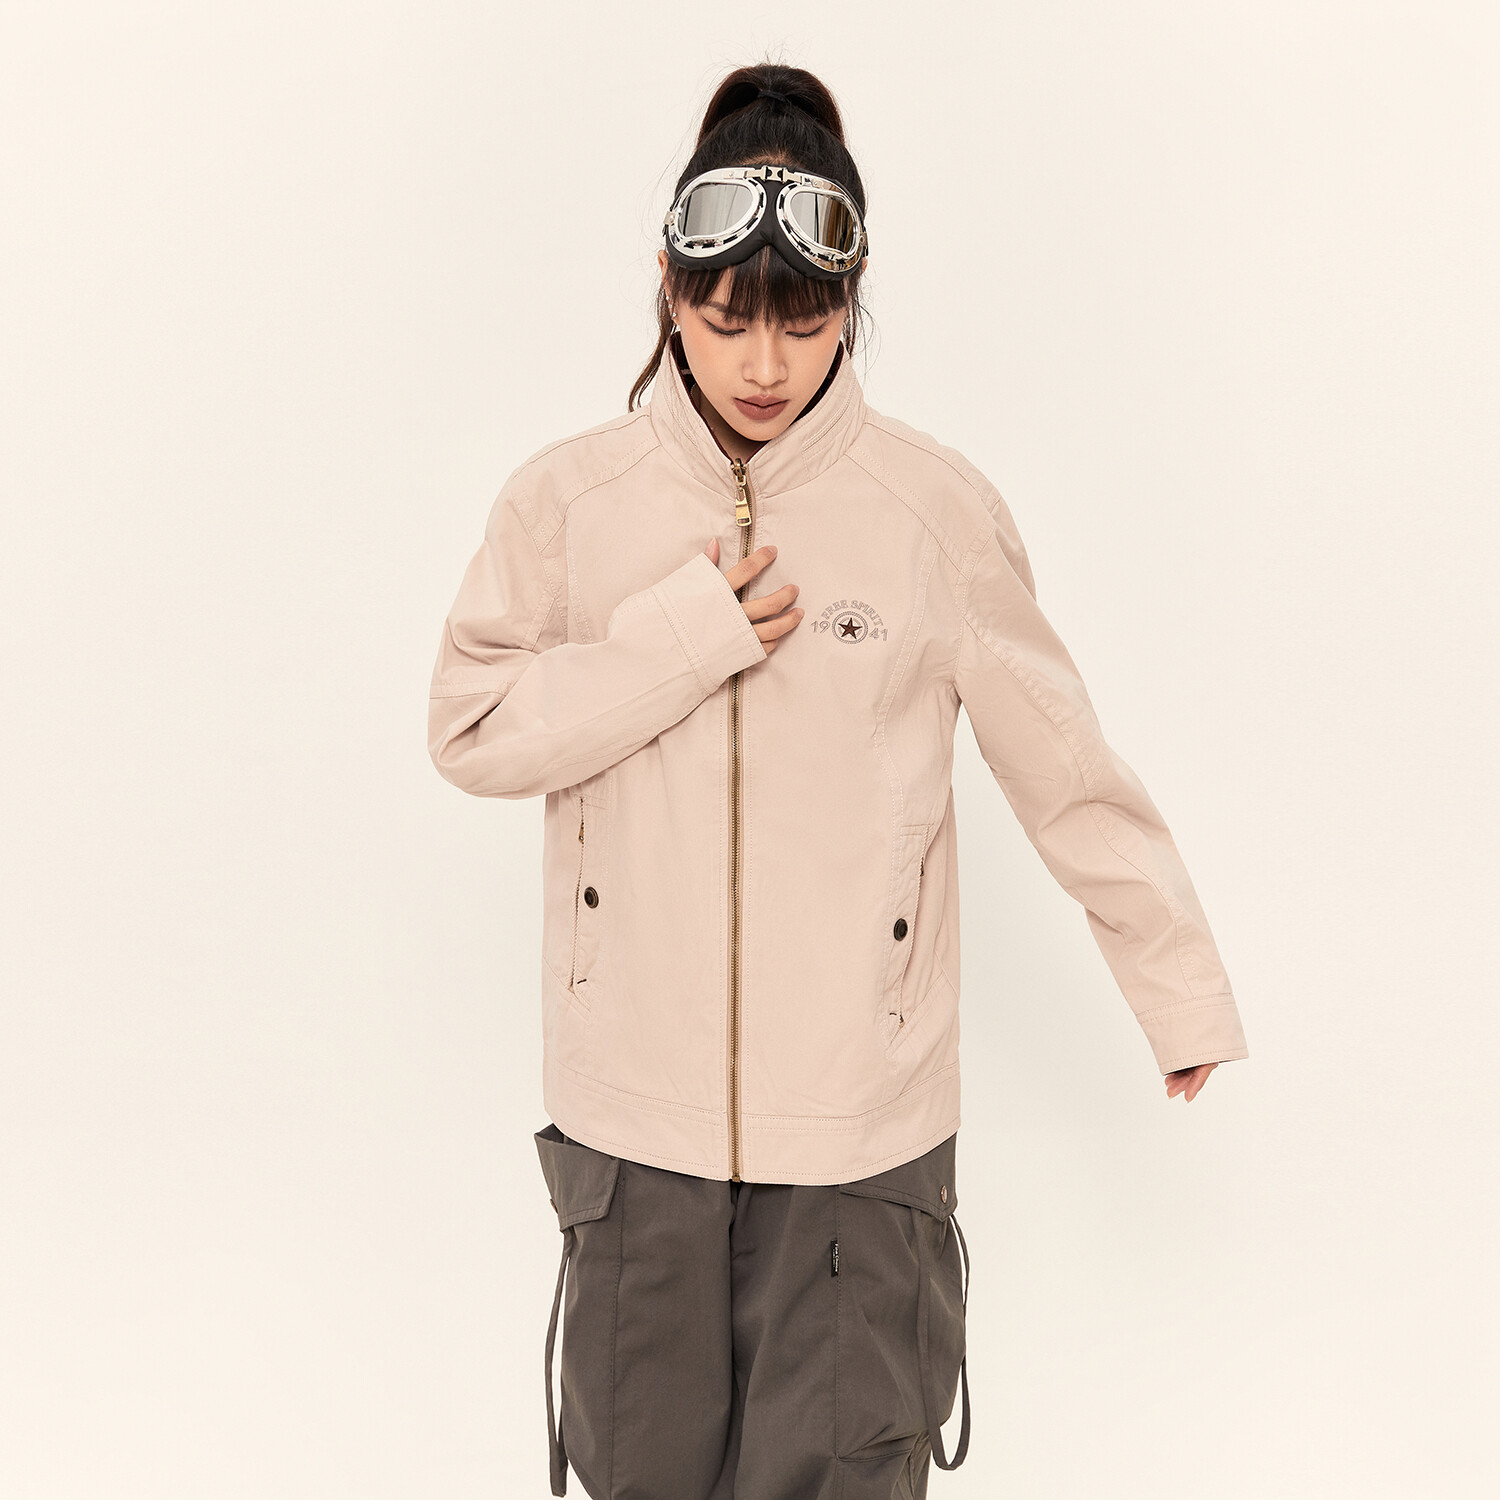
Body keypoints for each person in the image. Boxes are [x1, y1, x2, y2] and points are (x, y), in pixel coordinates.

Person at [427, 61, 1250, 1500]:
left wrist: (1173, 982)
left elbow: (1064, 765)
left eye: (804, 322)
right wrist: (680, 640)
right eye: (726, 318)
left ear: (850, 304)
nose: (764, 362)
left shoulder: (931, 512)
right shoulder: (566, 506)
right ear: (669, 293)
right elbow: (472, 727)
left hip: (863, 1143)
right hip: (632, 1132)